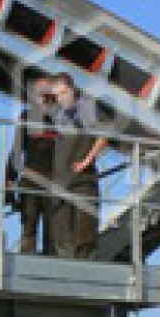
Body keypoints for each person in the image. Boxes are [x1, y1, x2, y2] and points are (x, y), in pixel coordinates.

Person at [50, 73, 110, 260]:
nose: (61, 98)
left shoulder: (87, 108)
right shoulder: (59, 115)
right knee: (61, 229)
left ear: (72, 89)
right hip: (61, 180)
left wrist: (87, 160)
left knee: (84, 230)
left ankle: (85, 264)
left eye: (64, 93)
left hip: (84, 180)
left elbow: (103, 136)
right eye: (57, 95)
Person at [6, 75, 60, 255]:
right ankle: (26, 262)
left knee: (52, 231)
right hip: (31, 177)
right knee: (29, 226)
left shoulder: (61, 118)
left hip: (54, 180)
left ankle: (51, 266)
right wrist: (9, 183)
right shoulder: (27, 116)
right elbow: (16, 150)